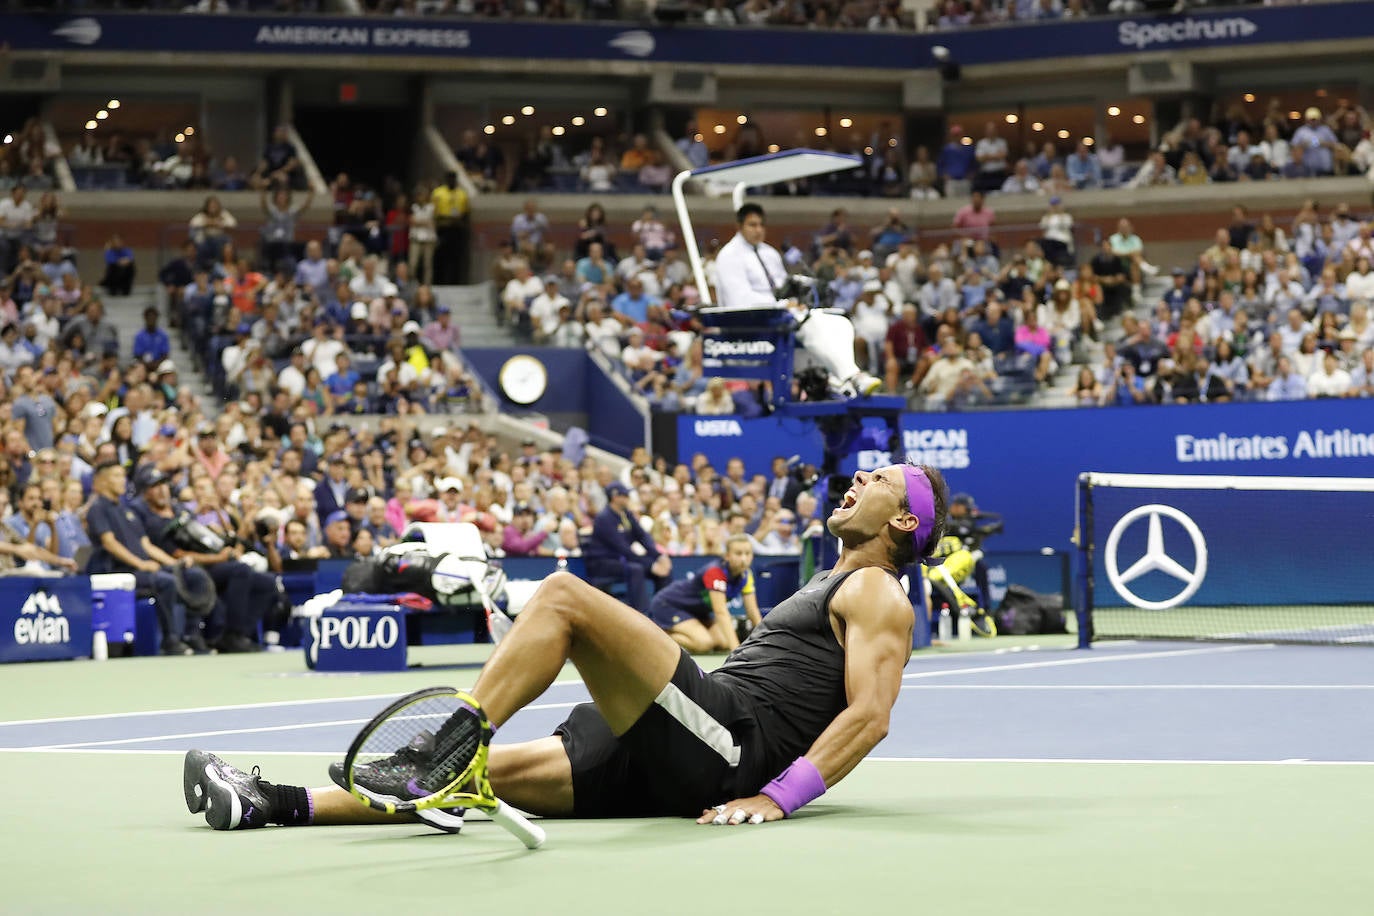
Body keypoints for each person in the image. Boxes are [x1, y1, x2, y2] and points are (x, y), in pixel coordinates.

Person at [182, 463, 947, 832]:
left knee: (562, 597)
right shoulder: (834, 580)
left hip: (729, 747)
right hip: (688, 745)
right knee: (479, 779)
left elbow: (871, 715)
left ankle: (444, 741)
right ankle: (272, 805)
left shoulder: (879, 590)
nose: (855, 477)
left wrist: (777, 798)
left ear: (905, 521)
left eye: (876, 478)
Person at [713, 203, 880, 398]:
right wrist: (781, 305)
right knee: (811, 325)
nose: (758, 230)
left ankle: (844, 378)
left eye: (761, 225)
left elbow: (784, 288)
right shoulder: (729, 256)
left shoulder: (770, 253)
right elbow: (739, 301)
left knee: (839, 322)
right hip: (753, 324)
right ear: (739, 227)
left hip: (782, 315)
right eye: (752, 225)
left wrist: (794, 300)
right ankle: (852, 377)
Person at [131, 465, 276, 653]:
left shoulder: (178, 509)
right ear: (145, 493)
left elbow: (203, 537)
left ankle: (240, 633)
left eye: (164, 485)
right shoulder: (150, 519)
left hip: (212, 560)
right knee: (240, 570)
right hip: (192, 567)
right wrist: (218, 558)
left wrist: (222, 546)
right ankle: (232, 634)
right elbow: (179, 554)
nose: (162, 490)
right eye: (155, 486)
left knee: (266, 582)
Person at [84, 461, 196, 656]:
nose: (122, 481)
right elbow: (109, 543)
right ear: (101, 482)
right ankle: (171, 640)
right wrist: (141, 564)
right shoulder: (98, 508)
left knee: (190, 575)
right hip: (117, 572)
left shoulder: (126, 510)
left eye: (123, 476)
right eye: (116, 476)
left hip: (138, 570)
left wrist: (174, 563)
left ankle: (193, 636)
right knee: (166, 582)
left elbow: (146, 545)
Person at [647, 535, 761, 655]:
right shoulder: (715, 572)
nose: (744, 558)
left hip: (697, 613)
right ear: (727, 556)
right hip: (669, 605)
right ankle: (656, 636)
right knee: (704, 644)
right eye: (738, 553)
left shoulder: (747, 575)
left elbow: (753, 611)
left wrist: (765, 644)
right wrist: (736, 652)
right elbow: (720, 612)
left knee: (722, 642)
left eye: (748, 553)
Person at [583, 480, 670, 612]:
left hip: (623, 560)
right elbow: (622, 548)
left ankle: (662, 610)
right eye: (624, 496)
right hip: (603, 563)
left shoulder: (627, 515)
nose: (627, 498)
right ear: (615, 497)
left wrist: (659, 556)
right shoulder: (604, 518)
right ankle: (641, 614)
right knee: (636, 569)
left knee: (664, 571)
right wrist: (651, 565)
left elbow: (642, 536)